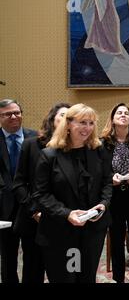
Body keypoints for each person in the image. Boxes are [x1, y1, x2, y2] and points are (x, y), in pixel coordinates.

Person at [32, 103, 112, 283]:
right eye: (82, 122)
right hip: (61, 231)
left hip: (93, 229)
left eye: (91, 123)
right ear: (68, 124)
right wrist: (67, 214)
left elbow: (107, 182)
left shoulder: (98, 151)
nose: (88, 128)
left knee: (86, 277)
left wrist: (103, 204)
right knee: (66, 277)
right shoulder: (49, 155)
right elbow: (41, 194)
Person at [12, 103, 71, 283]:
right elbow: (19, 183)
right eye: (62, 115)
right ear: (53, 119)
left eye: (71, 117)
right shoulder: (32, 144)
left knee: (66, 270)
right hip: (34, 219)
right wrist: (34, 211)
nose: (66, 120)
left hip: (65, 219)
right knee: (33, 270)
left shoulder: (75, 147)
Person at [100, 103, 129, 283]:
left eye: (126, 113)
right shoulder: (103, 143)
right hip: (114, 197)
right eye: (119, 113)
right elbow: (99, 171)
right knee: (116, 238)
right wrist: (112, 178)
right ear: (112, 118)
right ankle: (118, 277)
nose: (123, 115)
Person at [0, 99, 37, 283]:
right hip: (4, 207)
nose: (14, 116)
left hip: (30, 205)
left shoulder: (36, 138)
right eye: (8, 114)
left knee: (33, 254)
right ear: (0, 117)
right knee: (7, 256)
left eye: (17, 112)